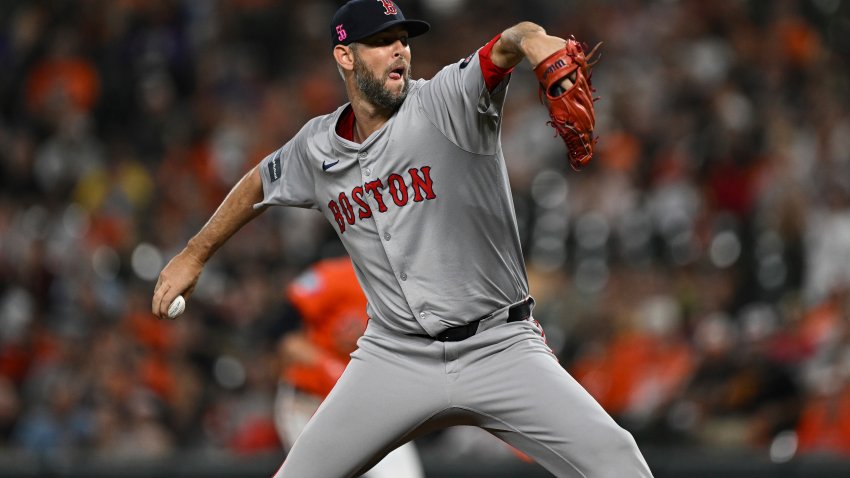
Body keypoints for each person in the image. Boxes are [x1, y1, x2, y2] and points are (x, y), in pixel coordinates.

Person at [152, 0, 654, 476]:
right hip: (394, 357)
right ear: (344, 56)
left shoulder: (446, 100)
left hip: (500, 347)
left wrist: (531, 39)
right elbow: (260, 181)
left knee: (616, 456)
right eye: (381, 41)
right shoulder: (316, 146)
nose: (399, 50)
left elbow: (505, 46)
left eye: (403, 39)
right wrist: (194, 254)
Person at [272, 256, 424, 477]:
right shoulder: (334, 276)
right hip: (309, 405)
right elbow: (281, 334)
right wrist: (327, 366)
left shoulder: (414, 288)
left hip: (369, 403)